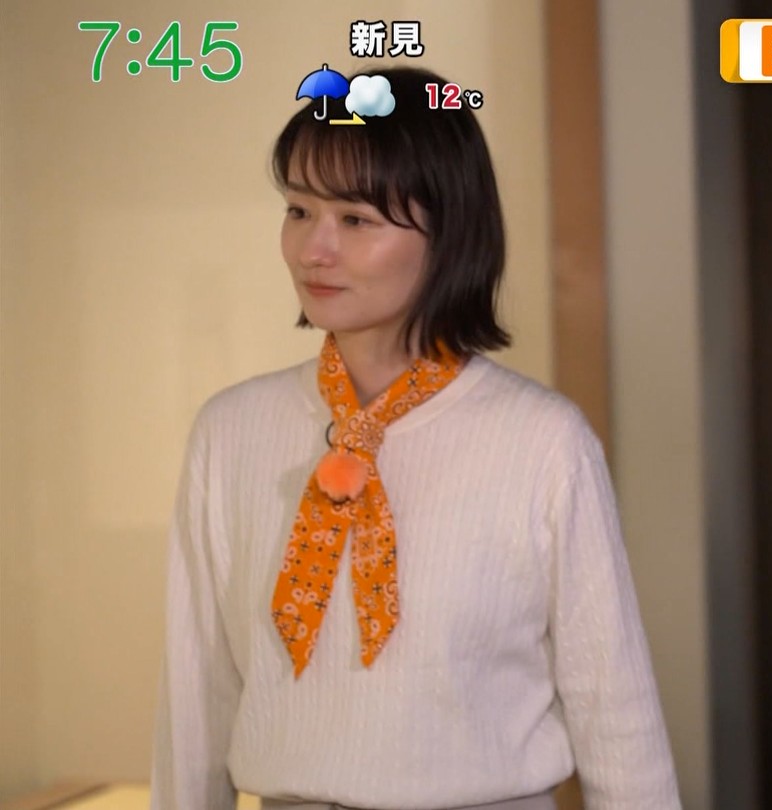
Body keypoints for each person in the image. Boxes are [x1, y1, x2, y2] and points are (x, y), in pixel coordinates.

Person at [151, 66, 681, 810]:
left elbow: (614, 708)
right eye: (299, 210)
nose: (312, 250)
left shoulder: (542, 441)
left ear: (448, 233)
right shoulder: (231, 430)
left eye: (355, 220)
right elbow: (195, 690)